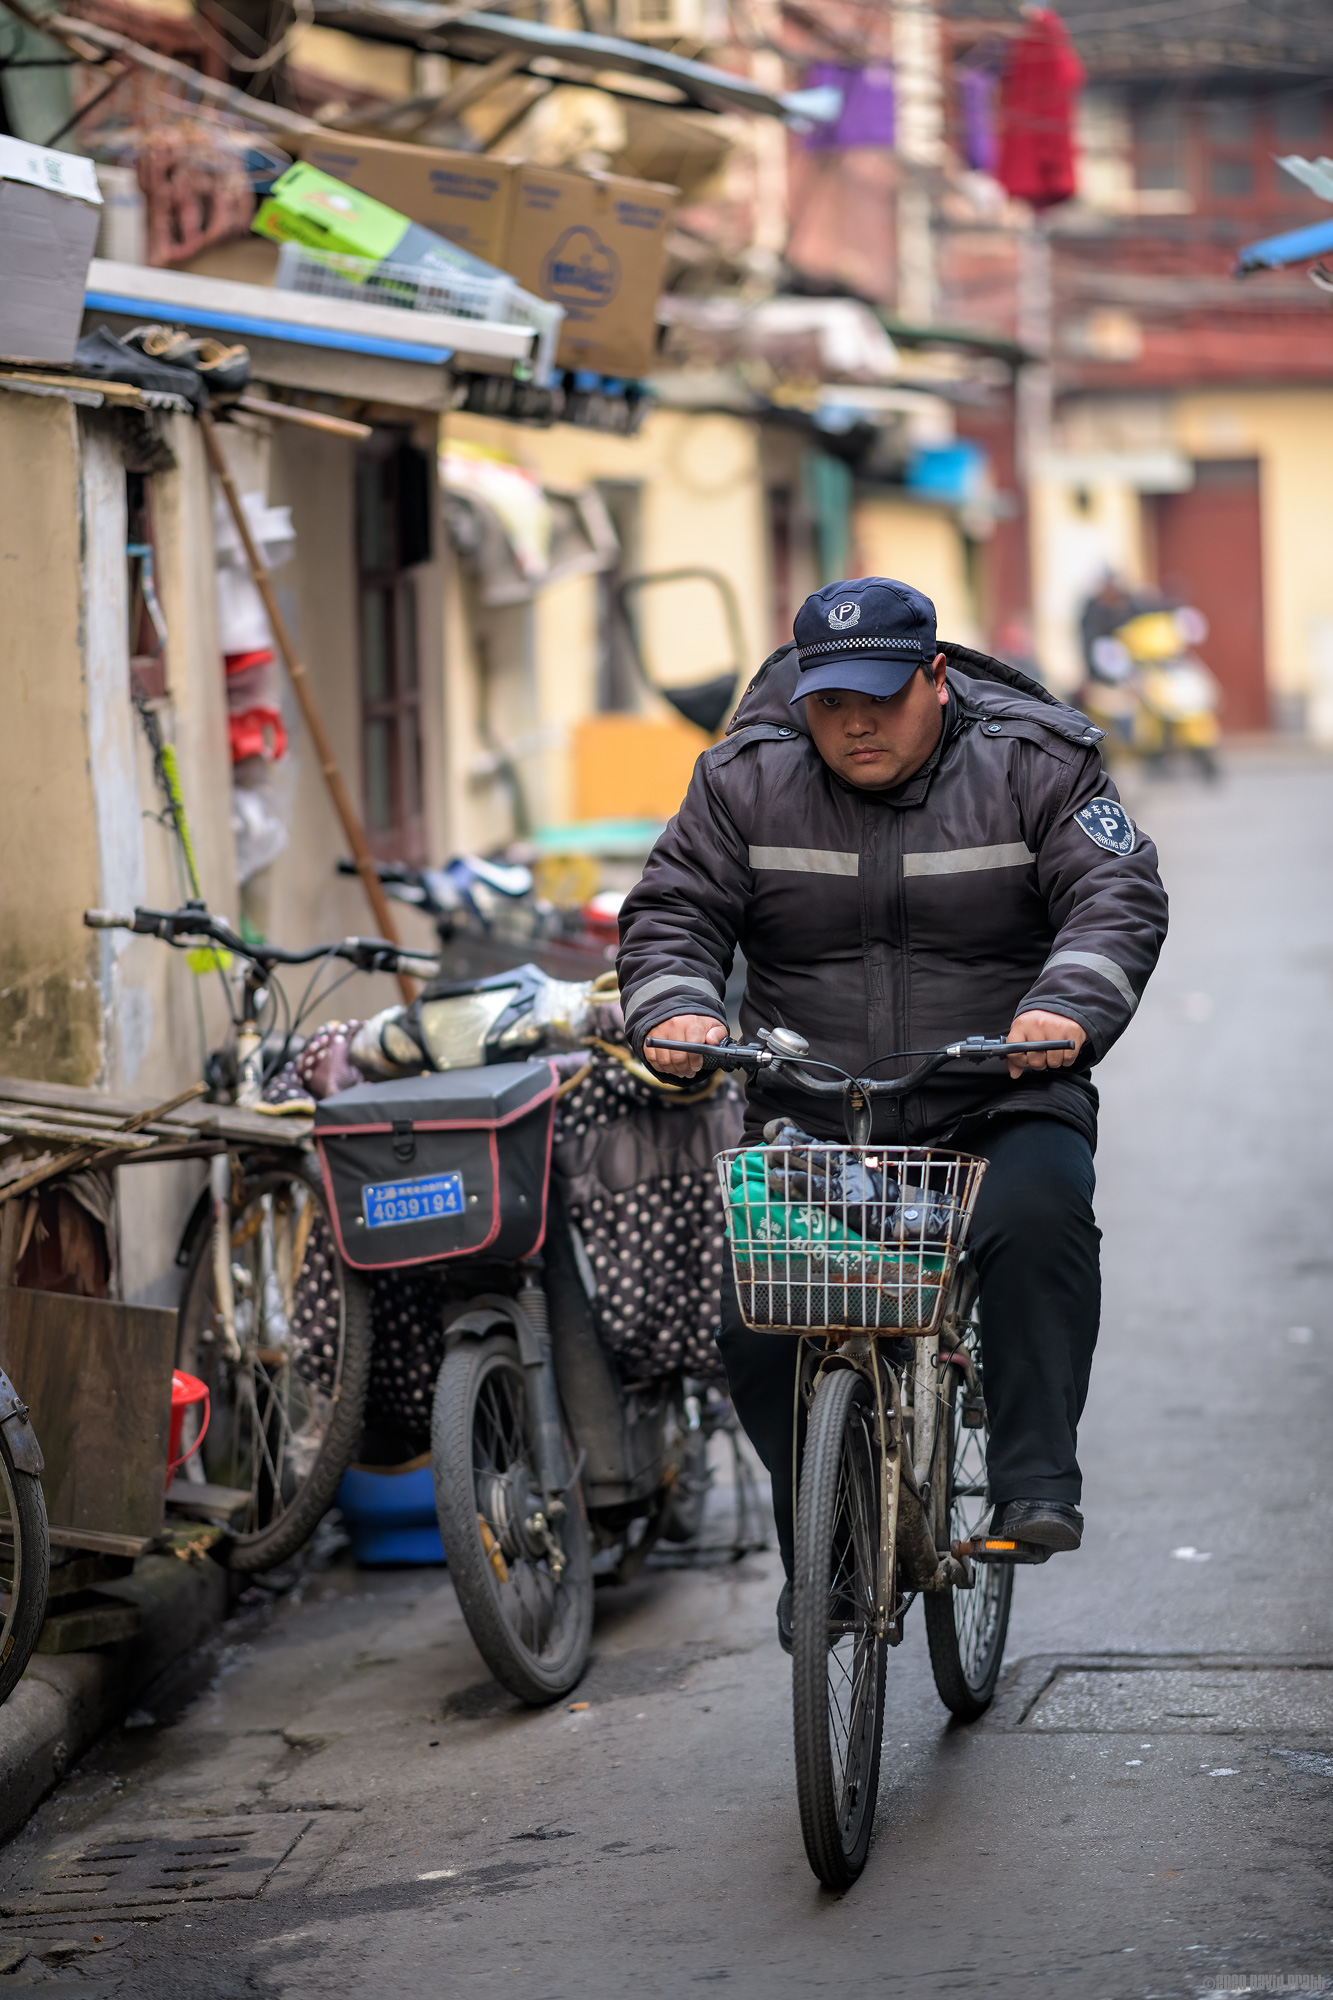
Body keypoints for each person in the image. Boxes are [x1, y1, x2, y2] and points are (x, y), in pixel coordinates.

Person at [615, 576, 1169, 1650]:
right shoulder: (743, 778)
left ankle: (1031, 1476)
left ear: (935, 677)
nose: (854, 723)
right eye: (829, 702)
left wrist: (1062, 1006)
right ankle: (825, 1544)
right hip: (818, 1107)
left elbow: (1116, 893)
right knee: (758, 1320)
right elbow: (674, 910)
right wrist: (676, 1009)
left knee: (1040, 1213)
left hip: (995, 1089)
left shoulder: (1033, 762)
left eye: (878, 696)